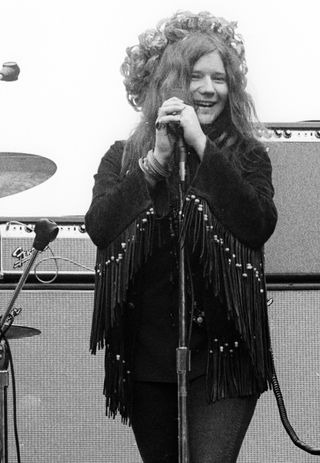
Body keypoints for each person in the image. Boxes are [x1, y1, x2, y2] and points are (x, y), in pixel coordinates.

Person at [85, 10, 277, 463]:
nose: (210, 88)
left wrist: (203, 148)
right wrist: (156, 160)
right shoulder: (124, 157)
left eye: (220, 78)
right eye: (196, 76)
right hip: (150, 360)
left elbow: (257, 223)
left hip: (224, 361)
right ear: (167, 83)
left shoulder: (248, 157)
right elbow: (101, 227)